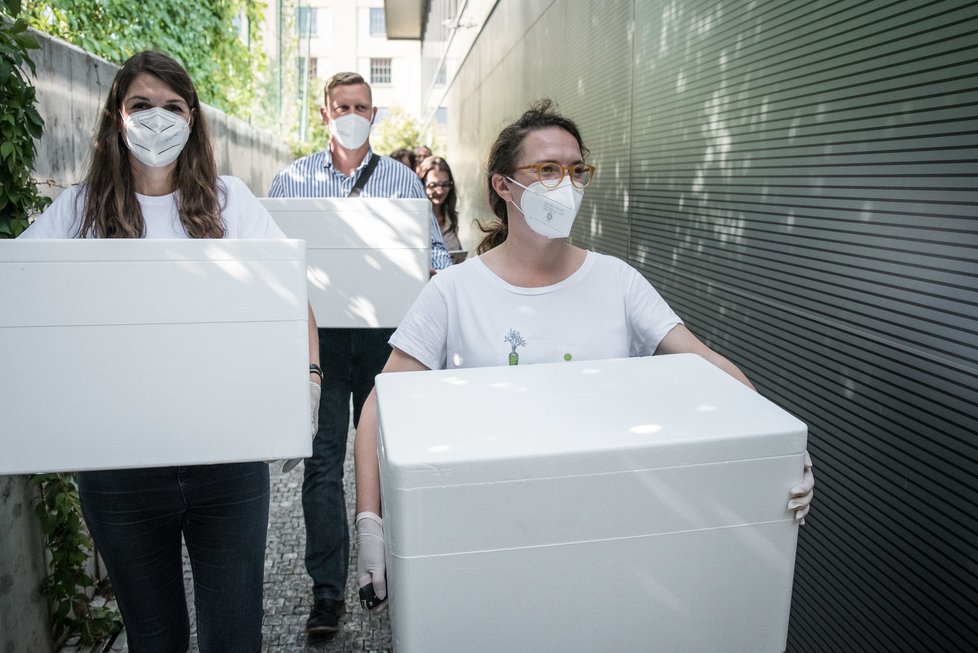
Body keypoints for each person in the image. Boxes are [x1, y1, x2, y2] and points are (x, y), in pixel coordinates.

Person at [352, 99, 816, 609]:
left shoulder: (617, 281)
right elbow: (380, 407)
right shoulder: (452, 292)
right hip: (487, 530)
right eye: (547, 169)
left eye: (576, 170)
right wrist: (371, 522)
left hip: (606, 525)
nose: (565, 183)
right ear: (503, 185)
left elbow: (705, 362)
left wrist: (782, 446)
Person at [18, 51, 322, 653]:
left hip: (228, 466)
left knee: (233, 638)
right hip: (120, 471)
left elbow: (293, 301)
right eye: (141, 106)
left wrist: (307, 385)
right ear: (116, 117)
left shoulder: (231, 203)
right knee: (155, 638)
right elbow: (22, 302)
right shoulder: (76, 213)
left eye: (172, 107)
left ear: (193, 118)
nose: (157, 119)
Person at [267, 71, 451, 636]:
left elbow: (438, 258)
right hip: (318, 343)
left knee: (393, 456)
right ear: (324, 112)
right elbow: (272, 270)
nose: (352, 114)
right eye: (341, 105)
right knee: (322, 466)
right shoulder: (289, 183)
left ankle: (398, 573)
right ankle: (328, 595)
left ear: (375, 115)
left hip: (384, 342)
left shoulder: (402, 181)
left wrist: (431, 279)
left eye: (362, 106)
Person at [418, 155, 463, 253]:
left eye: (445, 185)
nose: (440, 191)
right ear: (420, 184)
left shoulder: (451, 218)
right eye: (433, 185)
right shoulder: (415, 219)